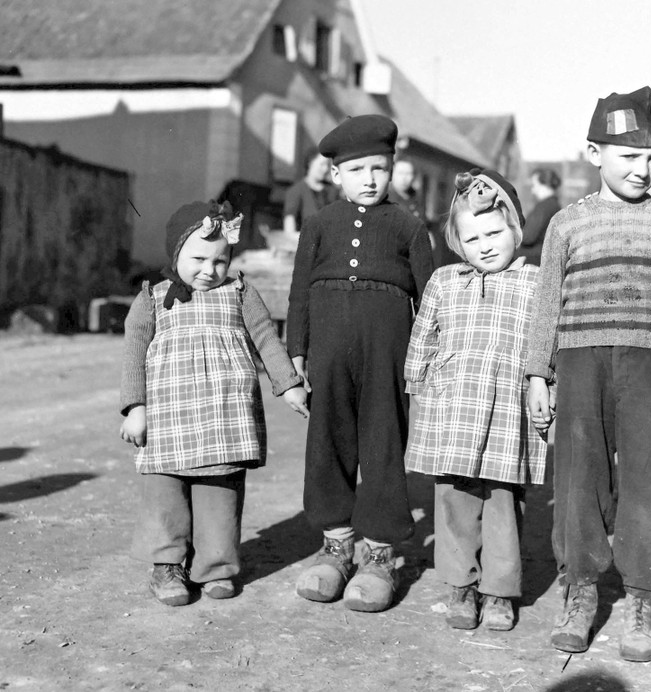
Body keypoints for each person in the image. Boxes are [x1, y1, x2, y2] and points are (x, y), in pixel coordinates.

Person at [526, 86, 651, 662]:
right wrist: (538, 374)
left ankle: (644, 599)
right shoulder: (565, 223)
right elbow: (545, 305)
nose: (643, 168)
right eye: (630, 155)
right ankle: (581, 590)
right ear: (594, 152)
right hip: (581, 363)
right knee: (579, 476)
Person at [119, 200, 308, 607]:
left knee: (220, 493)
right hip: (168, 416)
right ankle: (167, 566)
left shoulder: (240, 293)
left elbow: (266, 339)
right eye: (199, 259)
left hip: (226, 415)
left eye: (220, 260)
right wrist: (136, 407)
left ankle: (217, 567)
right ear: (175, 254)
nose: (210, 270)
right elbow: (134, 352)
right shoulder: (153, 298)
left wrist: (288, 383)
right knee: (165, 492)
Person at [286, 114, 434, 613]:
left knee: (382, 442)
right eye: (357, 170)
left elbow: (430, 298)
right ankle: (336, 545)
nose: (369, 179)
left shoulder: (410, 226)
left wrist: (427, 359)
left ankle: (379, 554)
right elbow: (300, 293)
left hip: (388, 352)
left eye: (379, 168)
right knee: (328, 439)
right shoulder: (318, 224)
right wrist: (297, 353)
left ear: (392, 169)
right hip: (328, 351)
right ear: (335, 174)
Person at [405, 169, 548, 632]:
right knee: (454, 501)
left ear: (515, 230)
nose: (485, 245)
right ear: (457, 243)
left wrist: (549, 389)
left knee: (503, 502)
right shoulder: (445, 282)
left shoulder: (537, 282)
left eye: (494, 232)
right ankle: (460, 586)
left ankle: (500, 591)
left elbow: (550, 346)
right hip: (454, 411)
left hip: (509, 411)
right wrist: (420, 394)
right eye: (472, 238)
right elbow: (422, 341)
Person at [283, 147, 340, 236]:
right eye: (322, 164)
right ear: (310, 163)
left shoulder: (332, 191)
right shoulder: (296, 191)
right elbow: (290, 223)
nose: (325, 169)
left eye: (327, 165)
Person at [518, 168, 561, 265]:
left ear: (544, 185)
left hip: (533, 258)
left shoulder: (544, 207)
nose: (533, 191)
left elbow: (527, 237)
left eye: (534, 185)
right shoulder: (554, 205)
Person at [388, 156, 424, 221]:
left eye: (408, 173)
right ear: (392, 174)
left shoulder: (417, 199)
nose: (404, 178)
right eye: (400, 173)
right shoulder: (384, 198)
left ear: (413, 176)